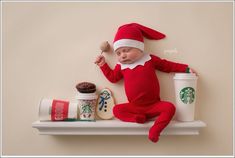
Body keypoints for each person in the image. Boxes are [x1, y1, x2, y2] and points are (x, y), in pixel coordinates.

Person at [95, 23, 195, 143]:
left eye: (126, 50)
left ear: (139, 47)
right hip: (135, 108)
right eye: (119, 53)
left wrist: (185, 68)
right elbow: (113, 78)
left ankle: (155, 130)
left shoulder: (149, 59)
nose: (123, 56)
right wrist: (103, 65)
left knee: (169, 108)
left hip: (154, 105)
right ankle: (137, 118)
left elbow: (167, 65)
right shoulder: (121, 66)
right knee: (116, 110)